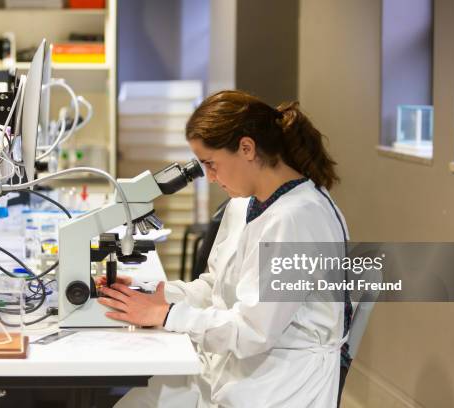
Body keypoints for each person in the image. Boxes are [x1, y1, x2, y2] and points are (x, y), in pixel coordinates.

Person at [97, 90, 350, 407]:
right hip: (228, 366)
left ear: (247, 148)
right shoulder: (244, 204)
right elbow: (215, 287)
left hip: (278, 386)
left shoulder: (298, 218)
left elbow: (253, 332)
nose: (211, 178)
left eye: (211, 164)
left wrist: (167, 315)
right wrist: (155, 294)